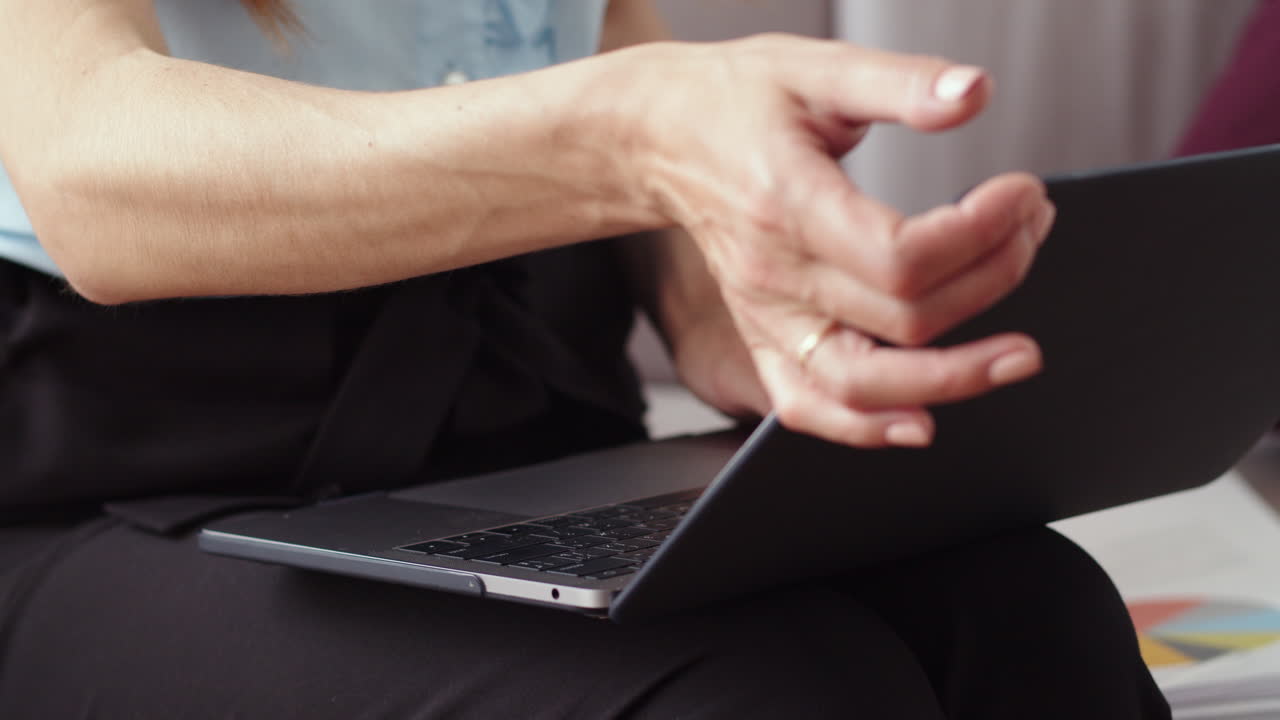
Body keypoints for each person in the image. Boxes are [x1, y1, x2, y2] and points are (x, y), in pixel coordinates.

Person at [0, 1, 1167, 717]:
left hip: (516, 416)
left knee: (1030, 612)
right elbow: (88, 165)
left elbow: (590, 23)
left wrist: (720, 310)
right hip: (128, 469)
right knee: (776, 697)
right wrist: (628, 140)